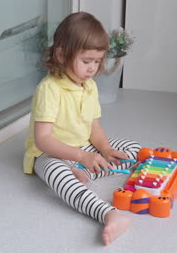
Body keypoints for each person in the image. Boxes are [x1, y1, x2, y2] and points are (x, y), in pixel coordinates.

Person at [23, 12, 141, 245]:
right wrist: (81, 156)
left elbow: (93, 128)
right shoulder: (50, 89)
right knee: (59, 176)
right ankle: (108, 215)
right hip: (50, 154)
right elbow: (43, 140)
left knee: (134, 149)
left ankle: (86, 171)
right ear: (61, 54)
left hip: (83, 147)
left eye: (97, 61)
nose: (92, 68)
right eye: (86, 61)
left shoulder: (89, 87)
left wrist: (105, 149)